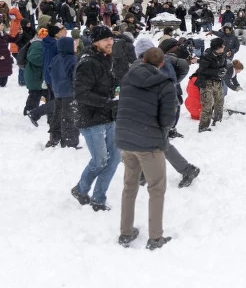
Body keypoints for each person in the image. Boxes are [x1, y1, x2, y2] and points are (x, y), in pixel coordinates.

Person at [115, 47, 177, 250]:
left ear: (143, 60)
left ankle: (125, 232)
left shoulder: (127, 77)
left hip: (126, 139)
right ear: (161, 64)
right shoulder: (165, 84)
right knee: (157, 188)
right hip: (149, 143)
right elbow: (167, 119)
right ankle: (155, 237)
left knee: (129, 186)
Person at [71, 26, 120, 212]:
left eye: (111, 39)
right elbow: (81, 94)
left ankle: (99, 199)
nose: (110, 42)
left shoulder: (106, 59)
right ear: (95, 42)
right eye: (105, 39)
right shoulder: (88, 62)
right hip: (91, 120)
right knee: (100, 161)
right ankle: (81, 189)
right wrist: (108, 102)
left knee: (114, 160)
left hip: (109, 117)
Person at [47, 37, 79, 149]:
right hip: (70, 93)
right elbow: (75, 78)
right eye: (73, 44)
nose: (76, 46)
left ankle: (54, 139)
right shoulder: (73, 60)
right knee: (70, 118)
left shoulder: (56, 58)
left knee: (57, 116)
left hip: (58, 92)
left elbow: (50, 71)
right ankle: (70, 143)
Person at [195, 37, 226, 132]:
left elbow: (224, 65)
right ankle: (203, 127)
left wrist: (223, 71)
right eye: (222, 46)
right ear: (217, 47)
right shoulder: (206, 55)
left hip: (218, 82)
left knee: (219, 102)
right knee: (207, 105)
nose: (224, 47)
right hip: (206, 83)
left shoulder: (223, 54)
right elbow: (202, 70)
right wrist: (217, 72)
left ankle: (217, 121)